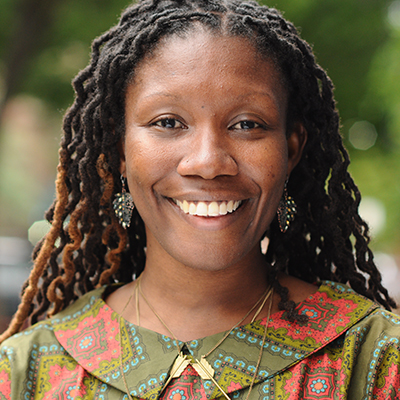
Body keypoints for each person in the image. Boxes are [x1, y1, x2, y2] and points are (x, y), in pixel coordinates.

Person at [1, 0, 399, 398]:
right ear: (119, 149)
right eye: (168, 123)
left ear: (290, 150)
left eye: (247, 124)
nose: (208, 162)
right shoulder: (26, 373)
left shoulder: (377, 364)